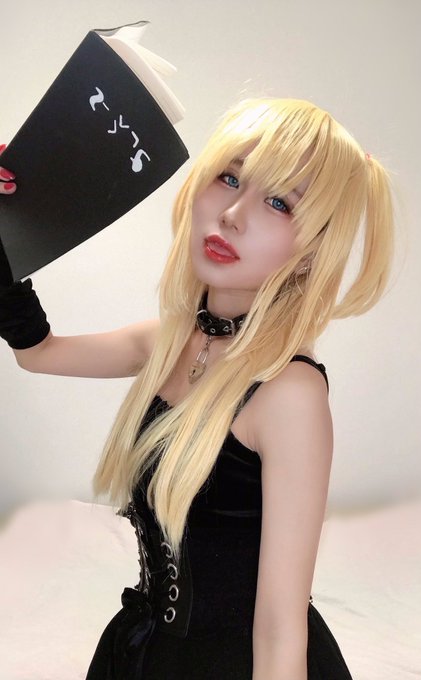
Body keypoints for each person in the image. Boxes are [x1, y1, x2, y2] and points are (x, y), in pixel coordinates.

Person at [0, 97, 395, 680]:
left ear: (312, 252)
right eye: (230, 178)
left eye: (280, 202)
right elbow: (39, 354)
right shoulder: (171, 341)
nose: (232, 214)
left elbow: (280, 629)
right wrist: (9, 230)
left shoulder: (289, 393)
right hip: (145, 651)